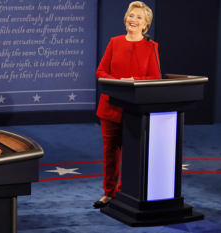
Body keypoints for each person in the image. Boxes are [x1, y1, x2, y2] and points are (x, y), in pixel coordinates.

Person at [93, 1, 160, 208]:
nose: (133, 20)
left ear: (145, 24)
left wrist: (134, 80)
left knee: (132, 153)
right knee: (110, 153)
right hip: (110, 107)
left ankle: (127, 192)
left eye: (139, 17)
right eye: (131, 15)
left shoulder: (151, 47)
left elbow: (155, 77)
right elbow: (100, 72)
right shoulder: (114, 42)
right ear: (125, 19)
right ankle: (109, 193)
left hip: (135, 110)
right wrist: (117, 82)